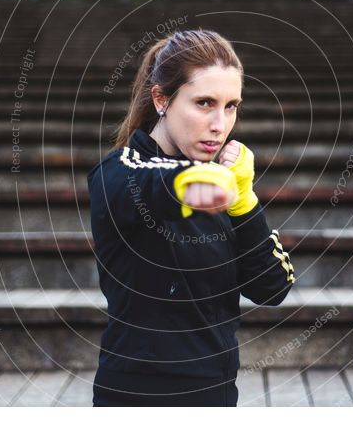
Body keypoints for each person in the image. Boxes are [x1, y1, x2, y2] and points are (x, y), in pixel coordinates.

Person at [87, 29, 295, 406]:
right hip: (138, 402)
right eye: (204, 103)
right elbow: (150, 185)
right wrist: (191, 184)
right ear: (161, 99)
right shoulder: (118, 171)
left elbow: (272, 288)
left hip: (215, 395)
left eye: (231, 105)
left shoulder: (221, 185)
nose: (220, 124)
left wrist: (244, 201)